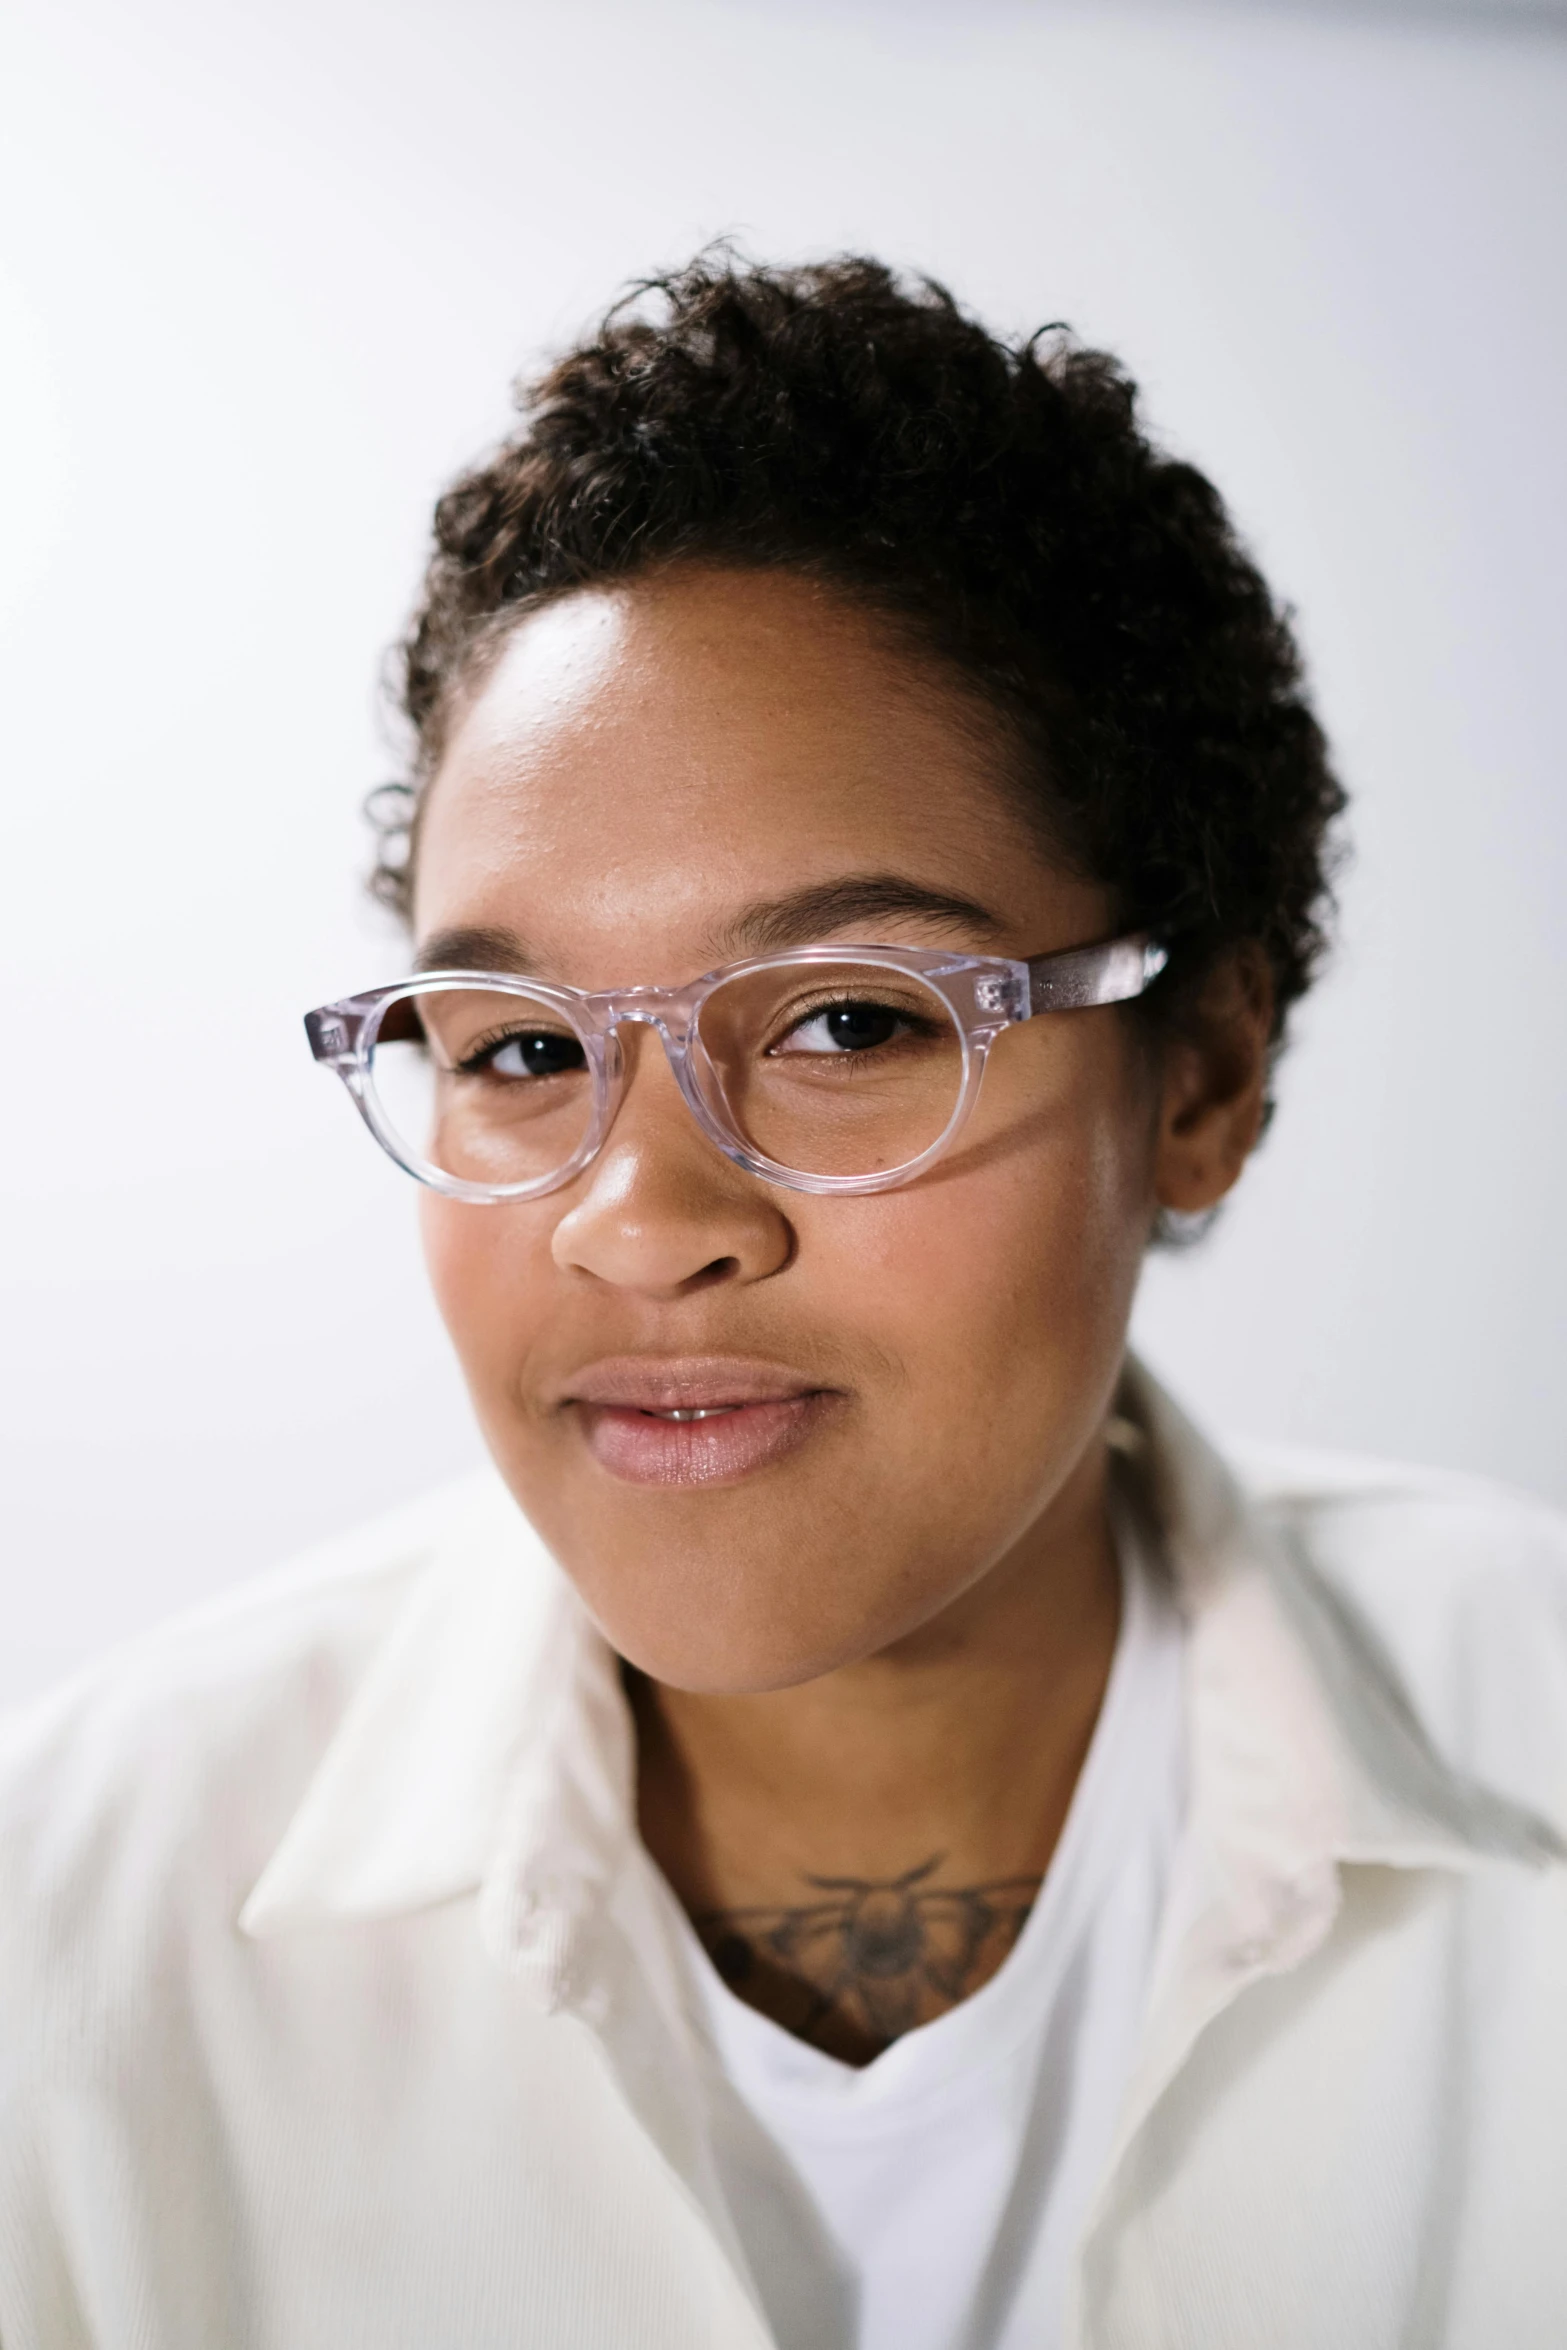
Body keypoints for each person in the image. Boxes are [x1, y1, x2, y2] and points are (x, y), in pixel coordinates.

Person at [2, 253, 1564, 2350]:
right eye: (524, 1047)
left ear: (1199, 1074)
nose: (641, 1216)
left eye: (845, 1016)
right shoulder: (69, 1923)